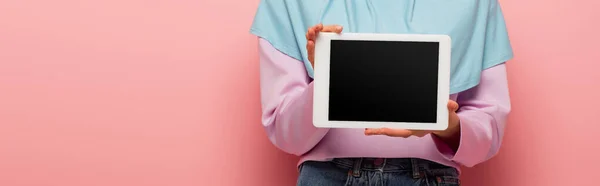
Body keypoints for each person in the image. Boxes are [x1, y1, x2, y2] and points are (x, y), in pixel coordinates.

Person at [250, 0, 514, 185]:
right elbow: (285, 133)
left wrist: (447, 126)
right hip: (327, 175)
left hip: (429, 176)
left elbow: (489, 129)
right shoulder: (288, 2)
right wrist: (329, 81)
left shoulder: (475, 4)